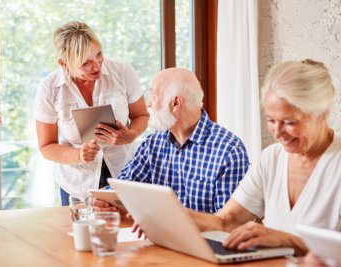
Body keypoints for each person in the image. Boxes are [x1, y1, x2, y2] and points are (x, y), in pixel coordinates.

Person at [187, 59, 341, 256]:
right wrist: (174, 216)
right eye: (271, 120)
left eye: (289, 122)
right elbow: (227, 221)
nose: (277, 132)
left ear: (323, 112)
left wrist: (288, 241)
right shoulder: (271, 158)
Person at [97, 68, 249, 213]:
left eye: (153, 95)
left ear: (176, 103)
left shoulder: (229, 150)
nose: (148, 103)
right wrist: (101, 198)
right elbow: (124, 186)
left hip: (203, 240)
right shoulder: (153, 143)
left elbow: (228, 225)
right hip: (158, 236)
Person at [35, 21, 149, 205]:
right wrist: (78, 155)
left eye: (99, 55)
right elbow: (46, 147)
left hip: (125, 176)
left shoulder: (122, 71)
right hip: (78, 185)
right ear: (64, 64)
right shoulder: (50, 88)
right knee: (81, 233)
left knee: (129, 232)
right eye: (85, 63)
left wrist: (131, 135)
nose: (96, 66)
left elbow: (141, 116)